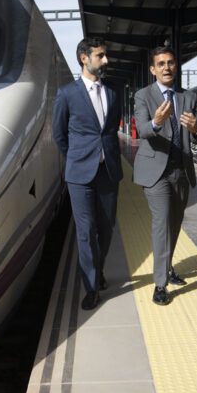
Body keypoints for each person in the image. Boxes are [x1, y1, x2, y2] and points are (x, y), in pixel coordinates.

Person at [52, 38, 122, 311]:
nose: (106, 61)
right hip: (80, 174)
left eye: (106, 56)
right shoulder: (67, 94)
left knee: (106, 229)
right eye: (101, 56)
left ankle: (99, 269)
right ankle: (91, 287)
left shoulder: (113, 93)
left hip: (108, 172)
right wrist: (77, 158)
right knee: (85, 232)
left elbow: (110, 131)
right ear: (84, 58)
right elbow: (59, 134)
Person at [132, 46, 197, 305]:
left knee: (175, 223)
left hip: (181, 169)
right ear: (153, 70)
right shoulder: (143, 96)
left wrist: (196, 129)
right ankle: (160, 284)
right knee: (162, 223)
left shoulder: (189, 97)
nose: (166, 67)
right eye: (161, 63)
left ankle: (169, 267)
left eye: (171, 62)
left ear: (176, 66)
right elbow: (141, 130)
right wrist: (157, 122)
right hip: (155, 172)